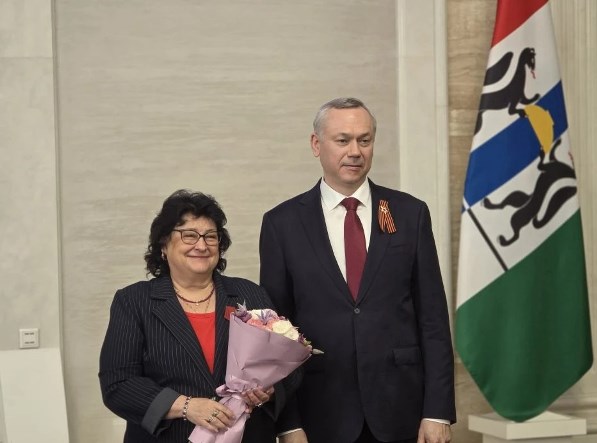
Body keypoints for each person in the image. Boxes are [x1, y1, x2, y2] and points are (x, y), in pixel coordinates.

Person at [260, 98, 456, 443]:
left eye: (364, 140)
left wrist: (437, 411)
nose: (355, 151)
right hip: (321, 413)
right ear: (316, 144)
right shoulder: (282, 224)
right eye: (343, 140)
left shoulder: (410, 214)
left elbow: (433, 320)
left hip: (402, 410)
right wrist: (288, 424)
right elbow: (276, 333)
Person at [99, 189, 298, 442]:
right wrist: (186, 406)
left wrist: (270, 391)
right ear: (164, 244)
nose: (202, 245)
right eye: (189, 235)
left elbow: (289, 370)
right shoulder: (134, 301)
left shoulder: (250, 294)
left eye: (210, 236)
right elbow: (118, 384)